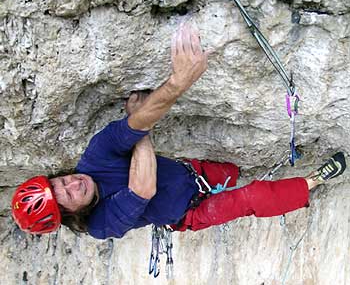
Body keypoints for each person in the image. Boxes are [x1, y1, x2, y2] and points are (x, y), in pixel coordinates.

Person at [11, 23, 347, 238]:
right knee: (251, 198)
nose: (72, 184)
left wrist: (178, 82)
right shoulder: (101, 225)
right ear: (71, 215)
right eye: (66, 196)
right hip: (191, 212)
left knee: (236, 173)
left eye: (59, 182)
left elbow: (138, 122)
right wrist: (141, 130)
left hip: (194, 173)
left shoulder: (94, 156)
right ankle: (314, 180)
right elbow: (142, 187)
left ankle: (261, 177)